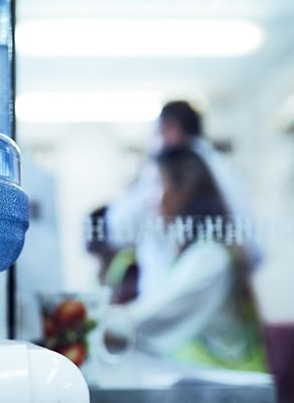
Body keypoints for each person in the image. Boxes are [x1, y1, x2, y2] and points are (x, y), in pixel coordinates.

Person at [103, 147, 267, 372]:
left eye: (158, 183)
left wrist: (87, 322)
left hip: (226, 387)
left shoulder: (210, 256)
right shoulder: (192, 251)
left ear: (185, 188)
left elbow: (149, 318)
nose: (150, 198)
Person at [105, 101, 260, 299]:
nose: (155, 199)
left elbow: (117, 230)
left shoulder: (157, 173)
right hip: (206, 297)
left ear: (171, 129)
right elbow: (253, 248)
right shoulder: (226, 169)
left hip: (176, 299)